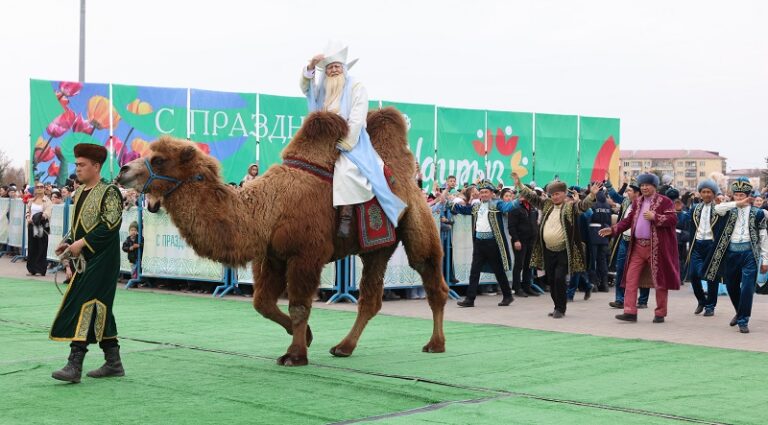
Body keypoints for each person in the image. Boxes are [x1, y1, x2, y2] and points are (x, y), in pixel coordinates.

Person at [301, 42, 406, 238]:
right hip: (322, 141)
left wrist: (345, 143)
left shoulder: (356, 86)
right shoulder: (324, 89)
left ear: (343, 68)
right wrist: (310, 68)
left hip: (351, 141)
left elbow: (357, 119)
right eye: (329, 67)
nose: (332, 70)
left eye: (336, 66)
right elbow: (307, 90)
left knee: (345, 169)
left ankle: (346, 216)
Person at [50, 143, 125, 383]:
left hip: (104, 259)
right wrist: (68, 242)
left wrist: (81, 244)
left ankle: (75, 363)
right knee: (99, 306)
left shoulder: (110, 191)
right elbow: (79, 227)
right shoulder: (79, 192)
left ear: (96, 166)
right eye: (76, 164)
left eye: (82, 165)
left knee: (84, 303)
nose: (77, 169)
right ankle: (113, 362)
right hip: (86, 258)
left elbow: (110, 226)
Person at [514, 173, 601, 318]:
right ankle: (557, 306)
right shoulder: (546, 204)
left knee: (560, 278)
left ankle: (561, 308)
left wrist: (591, 195)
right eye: (552, 194)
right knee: (551, 280)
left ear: (563, 194)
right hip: (547, 250)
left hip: (564, 250)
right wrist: (520, 185)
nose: (555, 197)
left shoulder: (570, 207)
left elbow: (583, 206)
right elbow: (532, 197)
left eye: (557, 194)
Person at [599, 173, 679, 323]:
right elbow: (628, 220)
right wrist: (613, 229)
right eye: (642, 185)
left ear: (654, 186)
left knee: (659, 281)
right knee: (630, 278)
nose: (644, 188)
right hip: (637, 246)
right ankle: (630, 312)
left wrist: (656, 217)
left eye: (647, 185)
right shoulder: (637, 202)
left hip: (656, 248)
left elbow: (673, 219)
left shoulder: (665, 201)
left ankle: (660, 313)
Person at [705, 178, 768, 333]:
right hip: (731, 253)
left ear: (749, 196)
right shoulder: (729, 209)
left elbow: (764, 237)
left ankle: (743, 320)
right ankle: (740, 311)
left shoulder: (759, 213)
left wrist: (765, 259)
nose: (739, 198)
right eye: (737, 195)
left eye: (742, 195)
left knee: (747, 287)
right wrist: (736, 204)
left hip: (749, 253)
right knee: (731, 286)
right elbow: (717, 209)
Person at [449, 180, 520, 307]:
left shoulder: (497, 204)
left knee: (499, 270)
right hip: (479, 242)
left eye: (486, 192)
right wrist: (448, 202)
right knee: (474, 271)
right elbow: (462, 209)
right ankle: (470, 299)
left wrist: (519, 200)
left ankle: (508, 296)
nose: (484, 194)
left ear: (492, 193)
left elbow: (508, 206)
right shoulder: (476, 206)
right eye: (481, 192)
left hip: (492, 243)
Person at [606, 178, 650, 309]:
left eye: (629, 191)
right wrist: (608, 185)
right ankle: (620, 299)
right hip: (624, 240)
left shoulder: (646, 205)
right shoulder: (626, 202)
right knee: (620, 269)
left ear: (637, 193)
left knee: (642, 271)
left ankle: (642, 300)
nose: (627, 193)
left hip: (639, 242)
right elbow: (615, 196)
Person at [685, 180, 720, 316]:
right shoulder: (695, 209)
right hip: (697, 244)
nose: (706, 195)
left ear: (713, 194)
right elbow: (690, 226)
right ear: (700, 193)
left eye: (709, 192)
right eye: (704, 192)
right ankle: (701, 300)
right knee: (694, 275)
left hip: (711, 245)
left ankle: (710, 306)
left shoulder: (718, 209)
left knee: (711, 277)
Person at [25, 182, 53, 276]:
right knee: (32, 247)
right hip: (31, 226)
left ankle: (41, 269)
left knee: (41, 247)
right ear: (35, 189)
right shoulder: (31, 200)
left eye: (41, 187)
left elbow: (48, 213)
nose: (40, 188)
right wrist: (28, 218)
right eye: (38, 187)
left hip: (42, 226)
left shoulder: (47, 201)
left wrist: (39, 218)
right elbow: (28, 211)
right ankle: (32, 269)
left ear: (44, 189)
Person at [587, 189, 612, 292]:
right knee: (603, 261)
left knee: (593, 260)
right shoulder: (607, 206)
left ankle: (594, 284)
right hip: (604, 234)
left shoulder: (593, 205)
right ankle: (604, 284)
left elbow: (588, 219)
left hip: (593, 233)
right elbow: (609, 221)